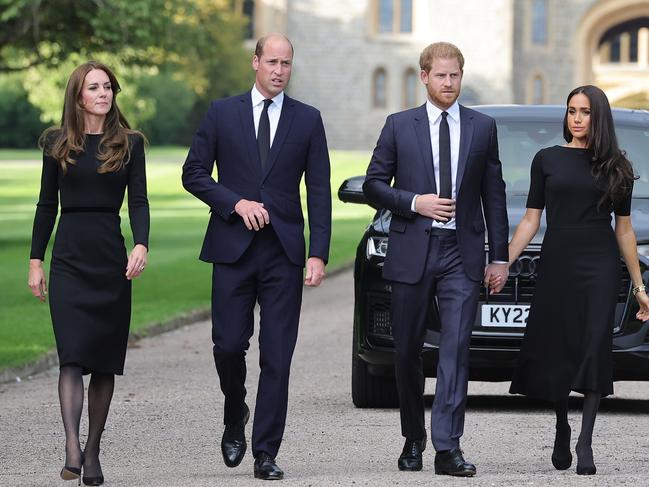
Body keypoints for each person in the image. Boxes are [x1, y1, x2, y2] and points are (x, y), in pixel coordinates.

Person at [181, 33, 331, 481]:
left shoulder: (307, 120)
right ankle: (234, 410)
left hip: (283, 253)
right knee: (228, 346)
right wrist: (234, 203)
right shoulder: (222, 113)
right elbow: (193, 173)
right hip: (232, 249)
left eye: (286, 63)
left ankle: (265, 451)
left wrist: (318, 253)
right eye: (272, 62)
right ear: (255, 63)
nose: (279, 70)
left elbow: (319, 192)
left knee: (278, 357)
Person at [362, 42, 509, 477]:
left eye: (455, 75)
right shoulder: (398, 126)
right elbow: (373, 184)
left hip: (460, 255)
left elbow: (494, 196)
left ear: (462, 76)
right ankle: (413, 437)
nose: (448, 83)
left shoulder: (482, 127)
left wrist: (498, 257)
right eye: (440, 75)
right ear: (423, 77)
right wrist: (414, 202)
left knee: (456, 349)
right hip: (412, 250)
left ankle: (448, 447)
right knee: (406, 350)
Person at [495, 85, 649, 475]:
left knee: (595, 343)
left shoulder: (618, 167)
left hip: (599, 263)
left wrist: (640, 288)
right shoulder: (546, 159)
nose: (576, 119)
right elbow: (531, 219)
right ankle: (562, 425)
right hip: (558, 260)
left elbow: (625, 231)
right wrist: (503, 262)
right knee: (560, 345)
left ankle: (585, 440)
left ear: (599, 118)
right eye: (571, 111)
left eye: (585, 112)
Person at [27, 61, 149, 486]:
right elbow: (46, 205)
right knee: (72, 356)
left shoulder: (130, 143)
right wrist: (36, 261)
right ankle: (72, 447)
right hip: (69, 260)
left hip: (109, 260)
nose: (103, 93)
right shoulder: (56, 144)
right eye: (94, 87)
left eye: (108, 87)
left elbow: (139, 202)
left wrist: (140, 243)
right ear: (78, 95)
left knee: (103, 362)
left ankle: (93, 450)